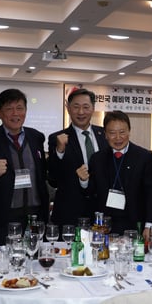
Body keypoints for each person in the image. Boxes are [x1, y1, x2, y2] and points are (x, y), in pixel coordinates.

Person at [0, 88, 49, 246]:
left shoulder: (36, 137)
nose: (15, 114)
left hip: (35, 216)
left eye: (20, 108)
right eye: (9, 109)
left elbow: (42, 175)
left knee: (34, 257)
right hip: (2, 217)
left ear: (26, 111)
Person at [81, 110, 152, 235]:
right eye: (112, 133)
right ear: (105, 134)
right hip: (104, 226)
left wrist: (149, 225)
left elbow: (151, 193)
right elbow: (91, 192)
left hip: (135, 224)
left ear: (129, 131)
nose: (118, 138)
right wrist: (84, 181)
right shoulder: (97, 158)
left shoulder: (144, 157)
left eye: (122, 132)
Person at [47, 88, 107, 226]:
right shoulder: (57, 138)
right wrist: (59, 151)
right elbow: (53, 178)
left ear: (93, 108)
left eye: (86, 107)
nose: (81, 112)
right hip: (70, 214)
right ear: (68, 108)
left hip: (101, 212)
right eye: (76, 107)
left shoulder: (104, 135)